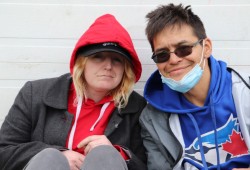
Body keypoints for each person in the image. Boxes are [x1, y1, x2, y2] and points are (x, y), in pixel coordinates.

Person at [0, 14, 147, 170]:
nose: (108, 66)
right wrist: (60, 154)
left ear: (126, 69)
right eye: (98, 57)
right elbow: (4, 151)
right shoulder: (35, 94)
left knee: (106, 155)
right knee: (51, 157)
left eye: (117, 59)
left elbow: (146, 165)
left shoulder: (136, 107)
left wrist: (118, 154)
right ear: (81, 63)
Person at [140, 3, 250, 170]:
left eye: (183, 49)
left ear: (206, 48)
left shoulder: (245, 88)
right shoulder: (152, 119)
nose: (174, 60)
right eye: (162, 55)